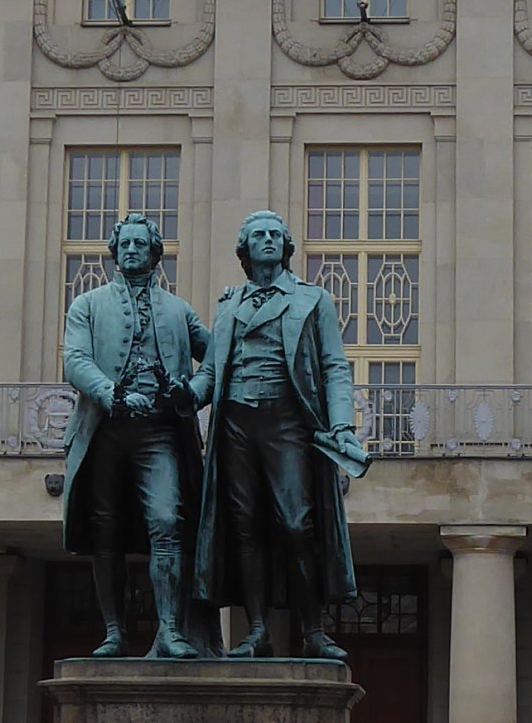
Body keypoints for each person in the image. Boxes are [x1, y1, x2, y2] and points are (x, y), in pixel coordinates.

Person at [193, 209, 367, 659]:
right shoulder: (229, 305)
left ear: (286, 246)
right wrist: (178, 399)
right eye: (258, 235)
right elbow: (210, 372)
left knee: (296, 523)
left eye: (275, 234)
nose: (267, 240)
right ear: (245, 249)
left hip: (286, 420)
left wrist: (343, 424)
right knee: (245, 526)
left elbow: (334, 367)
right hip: (235, 421)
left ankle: (312, 630)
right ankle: (255, 631)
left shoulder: (312, 299)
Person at [59, 213, 209, 659]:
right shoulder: (87, 305)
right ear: (114, 251)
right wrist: (111, 393)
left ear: (156, 254)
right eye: (124, 244)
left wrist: (193, 392)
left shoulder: (179, 310)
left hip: (160, 431)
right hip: (105, 430)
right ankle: (114, 631)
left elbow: (218, 356)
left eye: (140, 245)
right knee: (105, 529)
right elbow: (76, 361)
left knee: (167, 521)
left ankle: (170, 631)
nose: (130, 251)